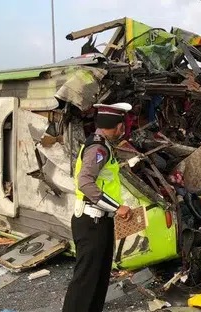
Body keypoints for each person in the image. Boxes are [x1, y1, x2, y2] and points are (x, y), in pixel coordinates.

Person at [62, 102, 133, 312]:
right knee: (85, 280)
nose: (123, 129)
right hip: (91, 221)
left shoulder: (102, 145)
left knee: (98, 278)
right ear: (117, 125)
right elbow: (85, 182)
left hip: (99, 221)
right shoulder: (98, 148)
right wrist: (116, 207)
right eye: (122, 124)